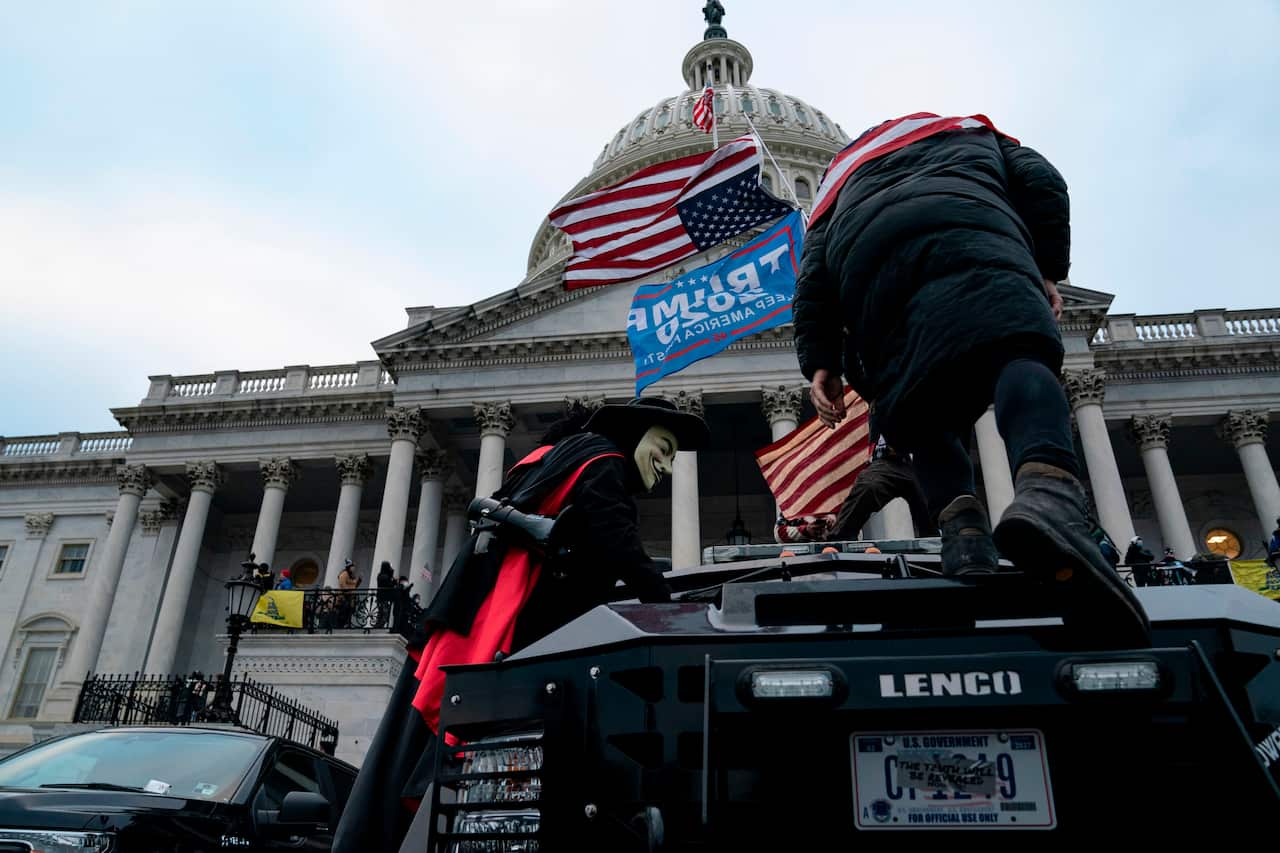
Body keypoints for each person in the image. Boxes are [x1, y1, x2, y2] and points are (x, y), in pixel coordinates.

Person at [793, 111, 1148, 645]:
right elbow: (1043, 180)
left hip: (873, 281)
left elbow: (813, 275)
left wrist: (821, 359)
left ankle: (964, 538)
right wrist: (1048, 267)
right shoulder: (971, 133)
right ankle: (1046, 492)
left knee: (919, 411)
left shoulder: (839, 185)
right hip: (974, 241)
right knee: (1016, 353)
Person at [332, 397, 709, 853]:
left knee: (417, 736)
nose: (667, 466)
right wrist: (668, 607)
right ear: (634, 434)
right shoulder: (604, 462)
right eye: (664, 447)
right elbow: (622, 547)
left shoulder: (569, 455)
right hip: (502, 618)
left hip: (476, 608)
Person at [825, 436, 931, 541]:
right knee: (867, 486)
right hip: (887, 458)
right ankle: (840, 541)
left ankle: (938, 541)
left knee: (934, 509)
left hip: (928, 457)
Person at [375, 562, 396, 628]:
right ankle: (378, 626)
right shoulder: (384, 576)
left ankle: (378, 625)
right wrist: (394, 581)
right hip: (383, 598)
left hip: (381, 597)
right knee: (384, 614)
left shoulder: (381, 575)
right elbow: (389, 585)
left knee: (382, 613)